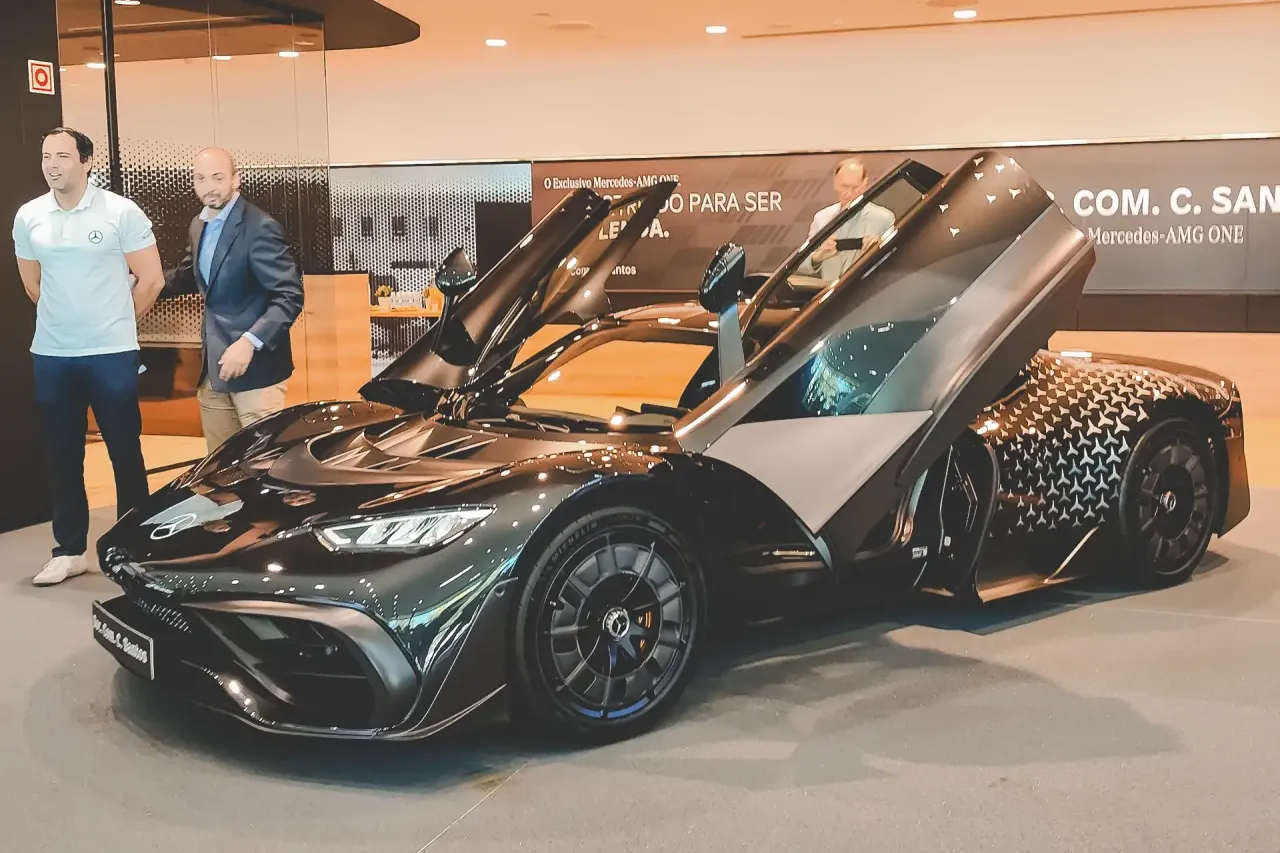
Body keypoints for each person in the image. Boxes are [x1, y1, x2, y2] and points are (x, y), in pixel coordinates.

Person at [12, 127, 165, 586]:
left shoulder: (120, 211)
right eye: (46, 156)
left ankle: (132, 549)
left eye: (62, 156)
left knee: (125, 452)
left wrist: (114, 321)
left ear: (86, 161)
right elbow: (32, 284)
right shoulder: (29, 215)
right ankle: (69, 551)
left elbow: (151, 279)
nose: (52, 164)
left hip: (111, 353)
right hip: (53, 355)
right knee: (62, 455)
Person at [164, 147, 303, 453]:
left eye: (218, 178)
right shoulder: (198, 225)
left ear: (235, 179)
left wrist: (249, 342)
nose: (209, 187)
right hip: (213, 371)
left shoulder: (260, 227)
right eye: (201, 179)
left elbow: (289, 296)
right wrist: (139, 281)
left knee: (261, 463)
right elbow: (187, 276)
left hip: (256, 371)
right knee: (220, 465)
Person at [800, 157, 896, 280]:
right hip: (828, 290)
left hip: (867, 288)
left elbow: (895, 263)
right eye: (844, 186)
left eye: (855, 187)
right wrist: (818, 257)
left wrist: (877, 251)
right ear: (835, 182)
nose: (849, 193)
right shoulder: (822, 218)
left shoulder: (883, 219)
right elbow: (800, 264)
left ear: (864, 184)